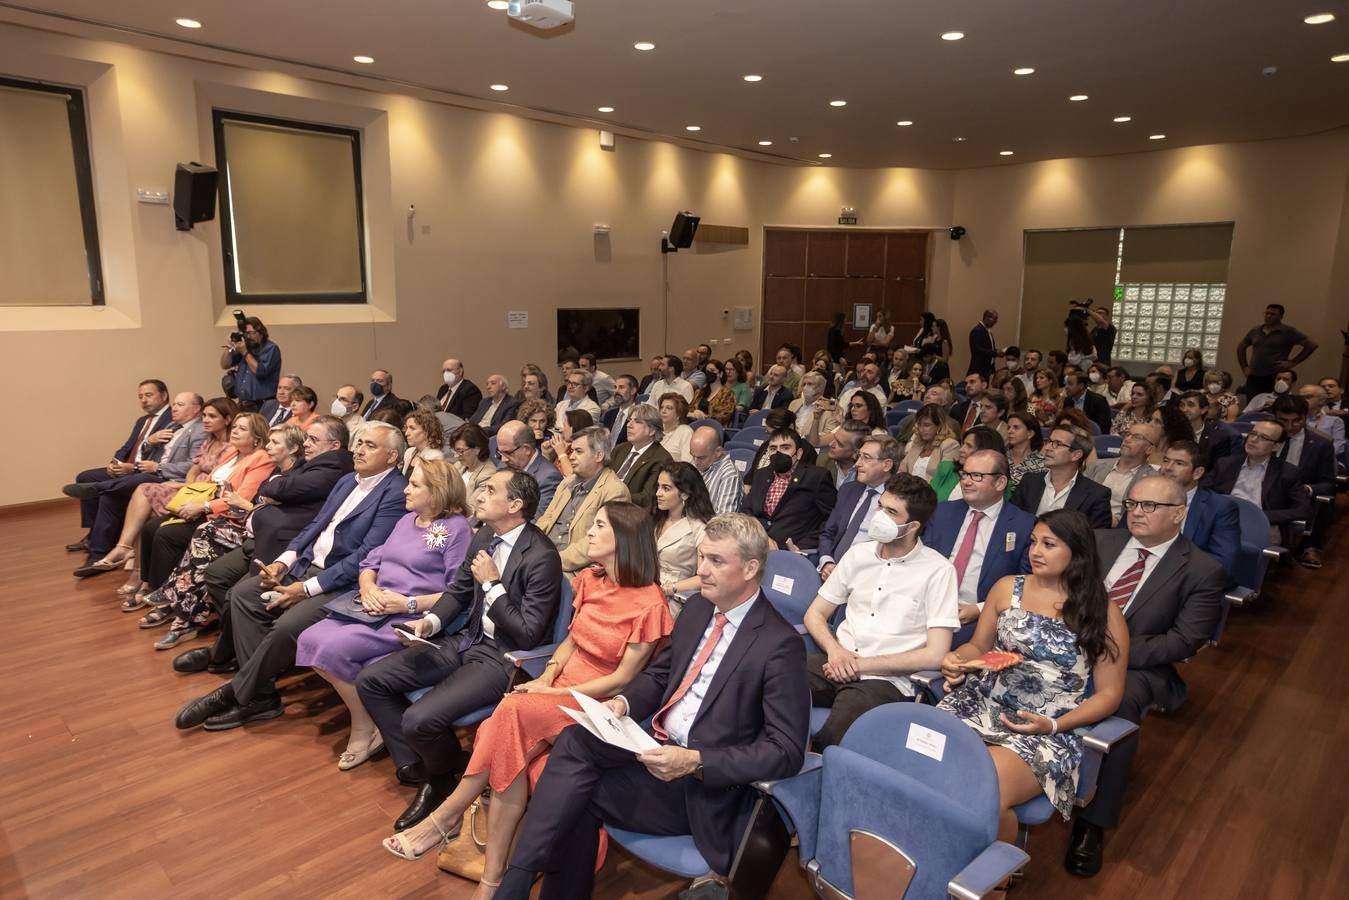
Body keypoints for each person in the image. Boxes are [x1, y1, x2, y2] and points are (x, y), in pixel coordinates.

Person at [492, 513, 809, 900]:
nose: (702, 571)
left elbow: (786, 752)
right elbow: (659, 676)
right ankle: (517, 882)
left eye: (716, 561)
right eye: (701, 557)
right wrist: (623, 702)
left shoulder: (779, 645)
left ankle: (514, 885)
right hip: (651, 749)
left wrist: (695, 760)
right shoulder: (697, 610)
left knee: (575, 793)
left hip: (696, 783)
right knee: (575, 741)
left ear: (750, 568)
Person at [382, 502, 671, 893]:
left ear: (622, 539)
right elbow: (572, 640)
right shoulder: (590, 579)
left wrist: (554, 690)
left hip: (597, 704)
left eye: (599, 525)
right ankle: (492, 877)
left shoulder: (650, 602)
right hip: (559, 687)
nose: (588, 530)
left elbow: (622, 679)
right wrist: (549, 673)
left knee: (508, 714)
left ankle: (449, 816)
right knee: (504, 739)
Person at [355, 469, 562, 831]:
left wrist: (493, 585)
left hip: (501, 656)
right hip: (465, 638)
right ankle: (427, 768)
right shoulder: (485, 533)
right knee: (371, 681)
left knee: (418, 719)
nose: (479, 495)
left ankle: (439, 778)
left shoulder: (541, 556)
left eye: (490, 490)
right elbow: (458, 592)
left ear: (515, 505)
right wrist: (429, 624)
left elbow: (528, 635)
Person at [172, 422, 408, 732]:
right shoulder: (349, 480)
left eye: (370, 445)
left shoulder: (394, 491)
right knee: (243, 596)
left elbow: (365, 555)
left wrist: (305, 588)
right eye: (359, 442)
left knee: (286, 626)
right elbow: (315, 526)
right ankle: (261, 696)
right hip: (307, 565)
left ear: (392, 456)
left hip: (342, 582)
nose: (359, 449)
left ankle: (235, 691)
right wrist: (284, 562)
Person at [939, 509, 1129, 851]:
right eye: (1033, 542)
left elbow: (1110, 694)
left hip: (1047, 727)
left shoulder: (1104, 612)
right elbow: (979, 646)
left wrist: (1053, 726)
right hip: (981, 702)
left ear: (1077, 552)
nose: (1035, 552)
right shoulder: (1007, 588)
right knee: (923, 762)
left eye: (1049, 544)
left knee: (979, 789)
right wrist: (960, 659)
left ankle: (987, 881)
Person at [1063, 477, 1224, 878]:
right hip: (1065, 642)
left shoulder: (1202, 569)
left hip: (1138, 665)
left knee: (1122, 703)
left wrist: (1109, 652)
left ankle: (1092, 823)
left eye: (1150, 506)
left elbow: (1185, 640)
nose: (1136, 511)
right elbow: (1059, 592)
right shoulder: (1100, 542)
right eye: (1133, 502)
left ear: (1179, 514)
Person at [292, 458, 472, 769]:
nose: (406, 489)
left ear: (438, 491)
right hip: (373, 606)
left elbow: (459, 592)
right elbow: (370, 562)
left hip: (407, 616)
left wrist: (407, 604)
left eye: (415, 485)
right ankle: (369, 719)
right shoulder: (407, 520)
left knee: (331, 649)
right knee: (308, 637)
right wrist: (367, 588)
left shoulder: (456, 530)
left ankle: (363, 728)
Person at [172, 417, 355, 676]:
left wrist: (273, 491)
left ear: (335, 444)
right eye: (307, 438)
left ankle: (228, 655)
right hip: (267, 537)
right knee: (217, 575)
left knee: (238, 591)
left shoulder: (335, 464)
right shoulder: (311, 463)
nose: (307, 444)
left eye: (314, 439)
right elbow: (266, 489)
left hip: (286, 543)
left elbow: (285, 487)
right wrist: (273, 491)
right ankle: (236, 647)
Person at [804, 474, 958, 749]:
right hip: (836, 661)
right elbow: (814, 614)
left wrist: (860, 665)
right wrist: (835, 651)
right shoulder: (857, 554)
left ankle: (807, 786)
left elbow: (936, 654)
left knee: (836, 734)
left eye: (891, 512)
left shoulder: (938, 571)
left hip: (886, 681)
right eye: (880, 507)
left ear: (913, 527)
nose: (880, 516)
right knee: (769, 677)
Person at [145, 424, 300, 649]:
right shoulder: (274, 470)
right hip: (241, 523)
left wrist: (238, 505)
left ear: (293, 448)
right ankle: (181, 613)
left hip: (257, 534)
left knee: (203, 533)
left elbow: (255, 507)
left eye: (274, 443)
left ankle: (177, 602)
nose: (269, 446)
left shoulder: (284, 472)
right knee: (200, 548)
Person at [131, 413, 275, 630]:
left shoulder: (261, 458)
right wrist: (190, 497)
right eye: (234, 426)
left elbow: (240, 498)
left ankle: (169, 602)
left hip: (224, 516)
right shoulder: (232, 453)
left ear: (256, 437)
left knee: (166, 535)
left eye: (242, 429)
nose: (234, 431)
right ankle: (153, 587)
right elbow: (208, 482)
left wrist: (203, 507)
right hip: (204, 506)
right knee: (151, 527)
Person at [71, 391, 208, 577]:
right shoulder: (172, 426)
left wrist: (158, 467)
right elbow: (142, 453)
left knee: (138, 480)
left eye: (180, 405)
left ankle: (97, 488)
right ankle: (97, 556)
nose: (174, 408)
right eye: (174, 404)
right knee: (110, 496)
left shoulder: (200, 430)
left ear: (197, 409)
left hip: (167, 478)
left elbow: (193, 464)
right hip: (146, 471)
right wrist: (149, 443)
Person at [925, 450, 1034, 641]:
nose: (966, 481)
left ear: (1000, 483)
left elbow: (1026, 585)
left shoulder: (1024, 525)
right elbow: (921, 561)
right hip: (926, 607)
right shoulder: (943, 512)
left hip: (980, 619)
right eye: (965, 474)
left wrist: (979, 609)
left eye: (976, 476)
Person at [63, 380, 173, 554]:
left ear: (164, 395)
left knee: (105, 492)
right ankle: (92, 533)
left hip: (143, 471)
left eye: (148, 395)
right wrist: (114, 464)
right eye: (140, 397)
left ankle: (101, 537)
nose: (144, 400)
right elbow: (126, 447)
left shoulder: (172, 419)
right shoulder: (142, 420)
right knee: (85, 477)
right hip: (126, 468)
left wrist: (134, 466)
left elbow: (163, 456)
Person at [536, 426, 630, 574]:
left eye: (578, 451)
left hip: (573, 569)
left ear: (598, 456)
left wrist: (551, 561)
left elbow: (599, 542)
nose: (571, 456)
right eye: (572, 451)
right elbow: (546, 519)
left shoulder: (615, 491)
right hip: (543, 555)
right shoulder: (568, 482)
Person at [1203, 419, 1310, 536]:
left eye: (1263, 438)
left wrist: (1261, 516)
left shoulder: (1287, 473)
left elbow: (1302, 510)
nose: (1253, 440)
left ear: (1276, 446)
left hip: (1260, 526)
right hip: (1222, 520)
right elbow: (1201, 491)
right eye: (1253, 434)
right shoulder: (1226, 464)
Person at [815, 436, 901, 579]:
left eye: (866, 458)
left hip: (871, 576)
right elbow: (828, 533)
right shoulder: (848, 490)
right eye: (859, 456)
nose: (857, 464)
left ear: (886, 465)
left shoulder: (899, 500)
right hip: (832, 571)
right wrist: (826, 561)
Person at [741, 428, 837, 549]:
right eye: (773, 449)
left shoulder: (817, 477)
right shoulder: (761, 474)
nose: (778, 453)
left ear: (799, 453)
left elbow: (831, 519)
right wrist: (760, 537)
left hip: (793, 551)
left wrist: (802, 546)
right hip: (756, 544)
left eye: (785, 448)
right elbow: (746, 510)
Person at [1271, 395, 1337, 568]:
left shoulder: (1321, 443)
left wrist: (1307, 489)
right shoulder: (1264, 434)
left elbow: (1329, 484)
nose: (1290, 426)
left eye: (1297, 420)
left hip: (1298, 495)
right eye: (1284, 420)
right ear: (1274, 417)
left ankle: (1310, 546)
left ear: (1306, 416)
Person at [1156, 440, 1239, 574]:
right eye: (1166, 460)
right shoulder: (1144, 496)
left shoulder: (1220, 508)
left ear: (1197, 473)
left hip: (1186, 577)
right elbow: (1122, 539)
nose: (1168, 467)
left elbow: (1222, 562)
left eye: (1179, 463)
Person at [1011, 425, 1113, 528]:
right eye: (1048, 441)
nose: (1047, 448)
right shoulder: (1029, 481)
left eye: (1057, 444)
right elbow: (1011, 519)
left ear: (1076, 455)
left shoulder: (1096, 495)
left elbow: (1097, 538)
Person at [649, 462, 715, 615]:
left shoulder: (701, 527)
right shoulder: (656, 518)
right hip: (646, 587)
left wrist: (670, 588)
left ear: (685, 493)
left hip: (673, 597)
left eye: (666, 488)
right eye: (658, 487)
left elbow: (703, 577)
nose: (658, 493)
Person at [1235, 303, 1318, 397]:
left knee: (1273, 402)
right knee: (1252, 404)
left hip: (1275, 375)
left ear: (1280, 317)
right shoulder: (1256, 330)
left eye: (1273, 314)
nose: (1268, 316)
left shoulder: (1288, 331)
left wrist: (1293, 362)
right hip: (1254, 375)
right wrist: (1245, 367)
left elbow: (1312, 345)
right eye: (1267, 313)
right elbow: (1241, 347)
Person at [1085, 423, 1161, 525]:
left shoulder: (1152, 480)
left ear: (1149, 449)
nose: (1127, 439)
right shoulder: (1096, 466)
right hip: (1083, 522)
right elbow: (1078, 496)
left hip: (1118, 531)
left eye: (1136, 437)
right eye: (1128, 434)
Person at [608, 403, 673, 508]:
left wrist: (613, 496)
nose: (629, 425)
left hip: (630, 512)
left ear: (652, 430)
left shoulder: (662, 459)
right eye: (630, 420)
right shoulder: (620, 449)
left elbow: (647, 498)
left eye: (637, 422)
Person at [494, 420, 562, 517]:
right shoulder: (505, 464)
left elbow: (536, 520)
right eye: (500, 452)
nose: (503, 459)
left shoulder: (548, 478)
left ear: (527, 449)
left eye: (508, 453)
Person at [928, 426, 1007, 503]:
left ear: (985, 450)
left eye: (969, 446)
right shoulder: (947, 468)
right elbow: (926, 500)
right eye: (963, 444)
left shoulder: (998, 481)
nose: (961, 449)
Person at [219, 316, 281, 411]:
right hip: (242, 404)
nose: (247, 337)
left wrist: (245, 352)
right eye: (245, 334)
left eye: (250, 333)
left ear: (261, 332)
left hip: (262, 405)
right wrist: (230, 346)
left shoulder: (271, 348)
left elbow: (261, 372)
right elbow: (225, 364)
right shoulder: (245, 347)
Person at [687, 425, 741, 516]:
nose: (695, 462)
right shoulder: (694, 463)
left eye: (701, 458)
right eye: (692, 455)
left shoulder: (729, 474)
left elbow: (724, 519)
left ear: (718, 452)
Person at [899, 403, 959, 483]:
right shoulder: (917, 443)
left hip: (933, 493)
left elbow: (946, 479)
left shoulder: (950, 445)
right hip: (909, 491)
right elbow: (901, 471)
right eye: (919, 425)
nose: (921, 429)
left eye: (926, 425)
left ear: (939, 425)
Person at [1176, 391, 1236, 467]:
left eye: (1190, 405)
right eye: (1182, 405)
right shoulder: (1172, 433)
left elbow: (1219, 470)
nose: (1184, 409)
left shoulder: (1219, 438)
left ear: (1203, 409)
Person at [449, 423, 498, 517]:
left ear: (477, 449)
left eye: (460, 451)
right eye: (455, 451)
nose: (456, 456)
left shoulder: (488, 475)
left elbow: (470, 510)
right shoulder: (458, 465)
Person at [790, 371, 841, 447]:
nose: (805, 387)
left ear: (820, 388)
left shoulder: (831, 407)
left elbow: (827, 436)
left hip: (812, 449)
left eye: (810, 384)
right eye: (804, 384)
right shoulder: (794, 403)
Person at [1299, 383, 1346, 456]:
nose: (1302, 400)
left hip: (1323, 460)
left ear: (1321, 400)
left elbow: (1338, 447)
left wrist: (1317, 456)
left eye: (1308, 397)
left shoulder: (1335, 421)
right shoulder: (1293, 419)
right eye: (1300, 397)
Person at [1005, 411, 1046, 493]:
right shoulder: (1001, 457)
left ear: (1030, 433)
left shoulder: (1042, 464)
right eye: (1008, 427)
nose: (1010, 431)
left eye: (1016, 428)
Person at [819, 420, 867, 489]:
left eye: (839, 444)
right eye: (834, 438)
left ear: (855, 453)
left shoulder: (866, 472)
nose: (830, 444)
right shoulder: (822, 461)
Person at [401, 408, 445, 476]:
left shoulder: (435, 457)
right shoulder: (409, 452)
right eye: (406, 428)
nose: (406, 433)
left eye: (412, 428)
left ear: (427, 431)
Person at [656, 392, 694, 464]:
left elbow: (687, 464)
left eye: (669, 408)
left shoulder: (685, 432)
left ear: (679, 413)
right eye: (661, 407)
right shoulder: (656, 430)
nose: (663, 411)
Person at [968, 309, 1000, 378]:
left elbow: (988, 348)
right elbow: (977, 349)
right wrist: (995, 353)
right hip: (978, 369)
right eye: (994, 319)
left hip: (986, 370)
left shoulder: (987, 331)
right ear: (986, 317)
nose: (995, 322)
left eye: (996, 320)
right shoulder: (977, 330)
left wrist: (997, 351)